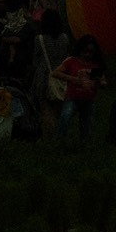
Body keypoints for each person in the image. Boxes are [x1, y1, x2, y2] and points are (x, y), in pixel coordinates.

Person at [53, 35, 107, 144]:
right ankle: (59, 141)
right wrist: (72, 79)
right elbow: (56, 73)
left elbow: (103, 82)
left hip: (88, 98)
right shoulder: (72, 61)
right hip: (73, 96)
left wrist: (100, 82)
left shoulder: (95, 65)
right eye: (85, 51)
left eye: (91, 52)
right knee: (65, 117)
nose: (87, 54)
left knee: (86, 123)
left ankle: (84, 143)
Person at [30, 9, 69, 139]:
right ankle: (60, 134)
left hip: (44, 76)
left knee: (45, 108)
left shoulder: (39, 39)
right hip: (61, 76)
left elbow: (35, 60)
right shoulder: (65, 38)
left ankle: (50, 137)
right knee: (58, 107)